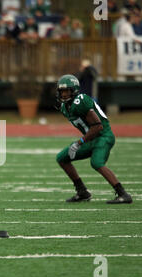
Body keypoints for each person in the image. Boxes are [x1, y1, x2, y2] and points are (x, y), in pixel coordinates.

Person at [55, 74, 133, 204]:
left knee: (96, 163)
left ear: (73, 90)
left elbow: (98, 126)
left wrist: (79, 142)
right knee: (62, 158)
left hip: (103, 136)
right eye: (61, 91)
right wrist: (82, 142)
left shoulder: (81, 101)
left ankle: (123, 194)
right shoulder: (64, 107)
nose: (63, 94)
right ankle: (82, 192)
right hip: (91, 139)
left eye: (66, 91)